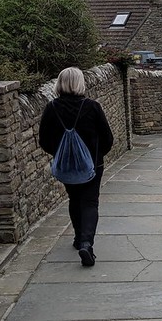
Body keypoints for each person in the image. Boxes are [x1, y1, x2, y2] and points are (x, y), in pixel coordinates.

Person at [39, 67, 114, 266]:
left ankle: (78, 237)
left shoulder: (52, 108)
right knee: (90, 202)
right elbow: (107, 138)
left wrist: (60, 155)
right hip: (93, 165)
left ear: (60, 83)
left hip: (66, 166)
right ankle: (86, 243)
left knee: (74, 199)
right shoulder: (92, 107)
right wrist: (97, 157)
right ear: (81, 83)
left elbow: (44, 141)